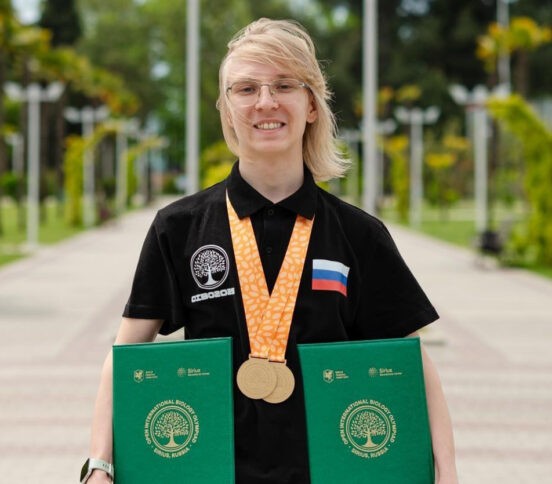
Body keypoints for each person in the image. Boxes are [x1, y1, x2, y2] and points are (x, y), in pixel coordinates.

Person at [82, 18, 458, 484]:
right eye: (246, 89)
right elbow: (123, 357)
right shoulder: (178, 228)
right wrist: (99, 466)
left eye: (284, 85)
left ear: (312, 105)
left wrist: (447, 472)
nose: (265, 102)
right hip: (210, 475)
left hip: (331, 475)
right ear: (227, 109)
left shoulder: (359, 235)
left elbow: (413, 365)